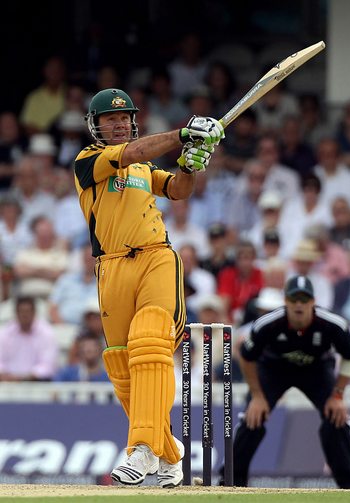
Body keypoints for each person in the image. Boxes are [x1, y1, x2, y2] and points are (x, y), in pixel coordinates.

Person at [74, 87, 224, 488]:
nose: (120, 123)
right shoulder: (89, 161)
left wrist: (190, 165)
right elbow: (133, 154)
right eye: (111, 118)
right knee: (123, 368)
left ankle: (140, 449)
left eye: (125, 118)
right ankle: (171, 454)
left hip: (157, 257)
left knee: (150, 342)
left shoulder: (142, 169)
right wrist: (185, 134)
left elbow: (177, 190)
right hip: (110, 268)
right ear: (96, 126)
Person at [221, 275, 350, 488]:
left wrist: (338, 395)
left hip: (316, 370)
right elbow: (246, 356)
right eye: (294, 299)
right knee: (252, 418)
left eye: (304, 300)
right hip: (273, 369)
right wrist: (257, 397)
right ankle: (230, 482)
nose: (299, 305)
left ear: (313, 302)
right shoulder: (267, 323)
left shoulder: (333, 324)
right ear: (285, 301)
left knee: (336, 417)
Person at [0, 296, 58, 381]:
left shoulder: (46, 333)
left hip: (37, 383)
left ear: (34, 313)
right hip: (8, 383)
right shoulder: (5, 333)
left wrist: (25, 378)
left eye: (27, 311)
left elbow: (48, 365)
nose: (24, 315)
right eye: (21, 311)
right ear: (16, 313)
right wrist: (6, 375)